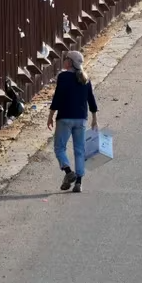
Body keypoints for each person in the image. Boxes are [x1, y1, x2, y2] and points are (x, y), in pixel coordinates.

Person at [46, 50, 99, 192]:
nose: (63, 61)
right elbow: (91, 99)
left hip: (65, 118)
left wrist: (51, 114)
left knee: (59, 148)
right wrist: (94, 118)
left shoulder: (63, 77)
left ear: (69, 62)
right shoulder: (85, 78)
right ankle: (79, 183)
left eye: (65, 59)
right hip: (81, 119)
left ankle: (69, 172)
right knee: (80, 150)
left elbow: (57, 97)